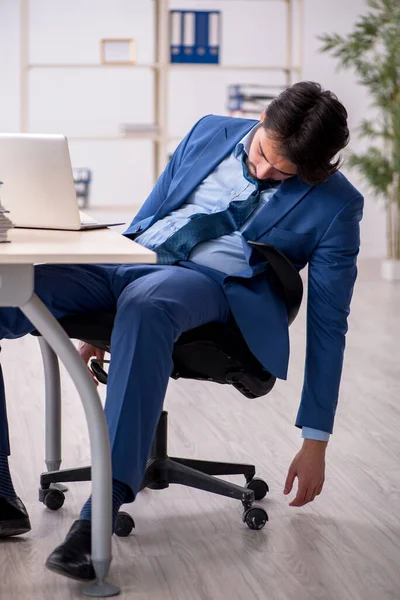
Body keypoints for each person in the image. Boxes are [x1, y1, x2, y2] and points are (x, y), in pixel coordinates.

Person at [0, 81, 363, 581]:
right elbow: (155, 210)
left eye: (283, 173)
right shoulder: (210, 131)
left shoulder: (338, 205)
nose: (263, 172)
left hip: (207, 285)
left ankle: (96, 520)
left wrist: (316, 439)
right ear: (260, 120)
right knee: (5, 288)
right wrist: (102, 311)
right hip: (129, 261)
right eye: (262, 155)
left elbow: (329, 325)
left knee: (149, 305)